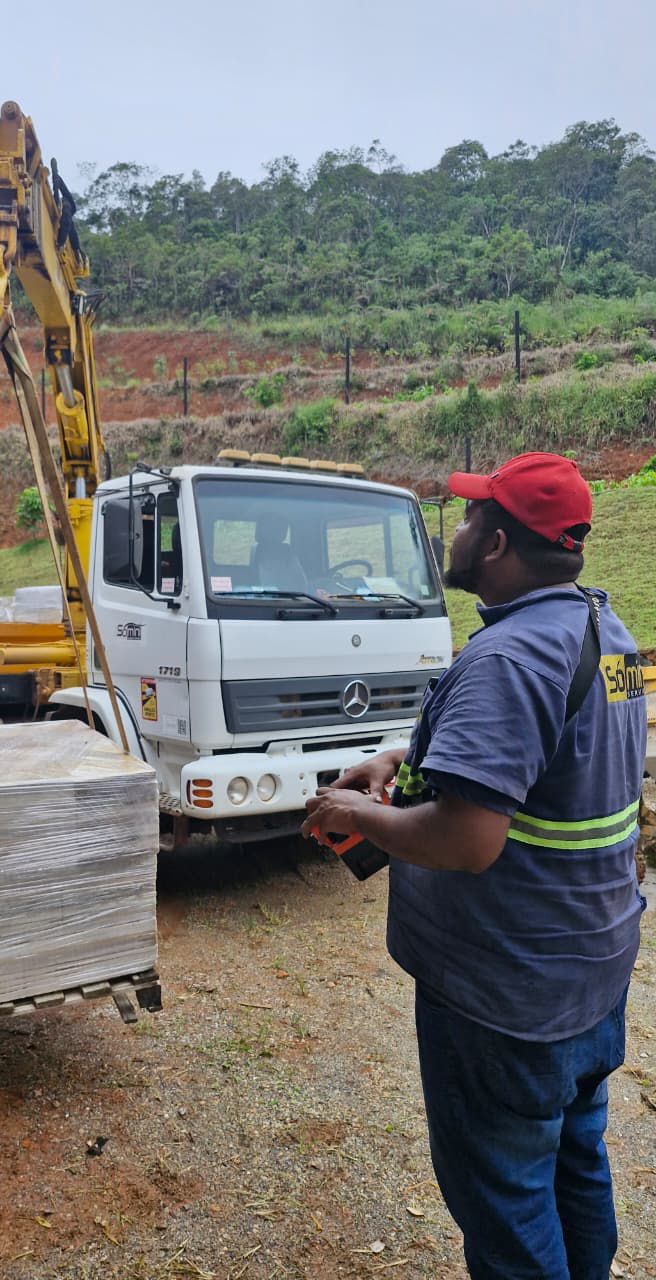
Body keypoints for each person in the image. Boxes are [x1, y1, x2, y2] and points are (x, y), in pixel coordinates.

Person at [302, 452, 647, 1280]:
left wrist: (357, 814)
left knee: (507, 1198)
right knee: (574, 1157)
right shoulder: (608, 633)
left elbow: (468, 840)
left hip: (506, 999)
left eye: (468, 519)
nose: (455, 532)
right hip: (591, 972)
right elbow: (548, 761)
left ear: (496, 545)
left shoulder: (505, 660)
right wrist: (405, 759)